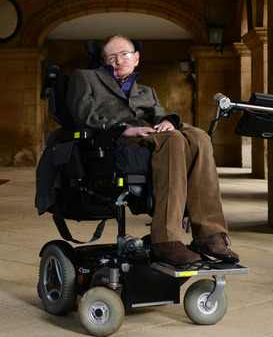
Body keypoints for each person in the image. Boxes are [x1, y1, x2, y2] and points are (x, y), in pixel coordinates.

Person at [67, 34, 239, 266]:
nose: (119, 60)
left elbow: (158, 115)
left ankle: (209, 235)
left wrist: (168, 120)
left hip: (151, 131)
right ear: (104, 61)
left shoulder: (146, 91)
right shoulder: (85, 78)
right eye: (112, 57)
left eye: (125, 54)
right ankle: (166, 241)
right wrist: (123, 130)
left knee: (199, 136)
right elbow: (84, 117)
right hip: (116, 137)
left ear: (136, 58)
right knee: (173, 140)